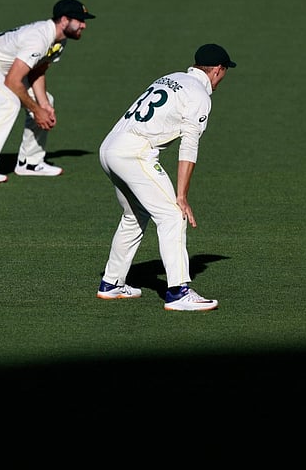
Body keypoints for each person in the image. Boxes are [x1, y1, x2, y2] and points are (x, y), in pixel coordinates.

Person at [96, 44, 236, 311]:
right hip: (134, 153)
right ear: (218, 70)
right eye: (224, 72)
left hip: (109, 147)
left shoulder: (172, 77)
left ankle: (112, 283)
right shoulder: (200, 96)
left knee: (134, 215)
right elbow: (189, 146)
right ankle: (178, 292)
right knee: (173, 215)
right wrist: (181, 197)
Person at [0, 0, 95, 184]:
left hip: (6, 69)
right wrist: (36, 111)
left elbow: (37, 71)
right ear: (64, 20)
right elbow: (13, 81)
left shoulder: (60, 40)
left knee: (46, 101)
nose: (84, 25)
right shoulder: (39, 38)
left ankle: (30, 162)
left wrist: (44, 105)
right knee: (8, 103)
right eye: (80, 20)